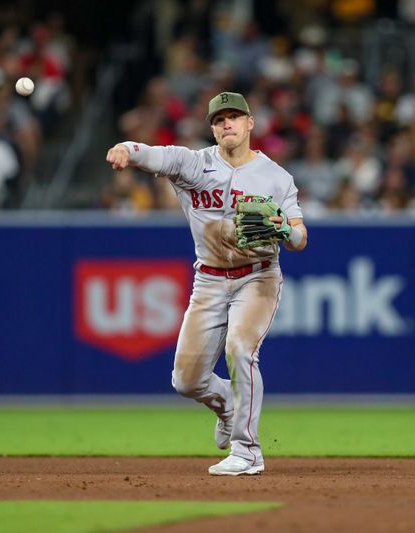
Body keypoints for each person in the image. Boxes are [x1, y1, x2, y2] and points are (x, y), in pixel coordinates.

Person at [105, 92, 308, 476]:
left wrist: (284, 227)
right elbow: (151, 154)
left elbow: (300, 239)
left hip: (258, 276)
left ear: (250, 123)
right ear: (212, 128)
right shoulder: (193, 165)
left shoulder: (276, 177)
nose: (226, 124)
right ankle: (228, 406)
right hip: (209, 281)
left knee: (240, 347)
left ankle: (247, 451)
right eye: (219, 120)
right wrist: (125, 149)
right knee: (186, 380)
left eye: (234, 117)